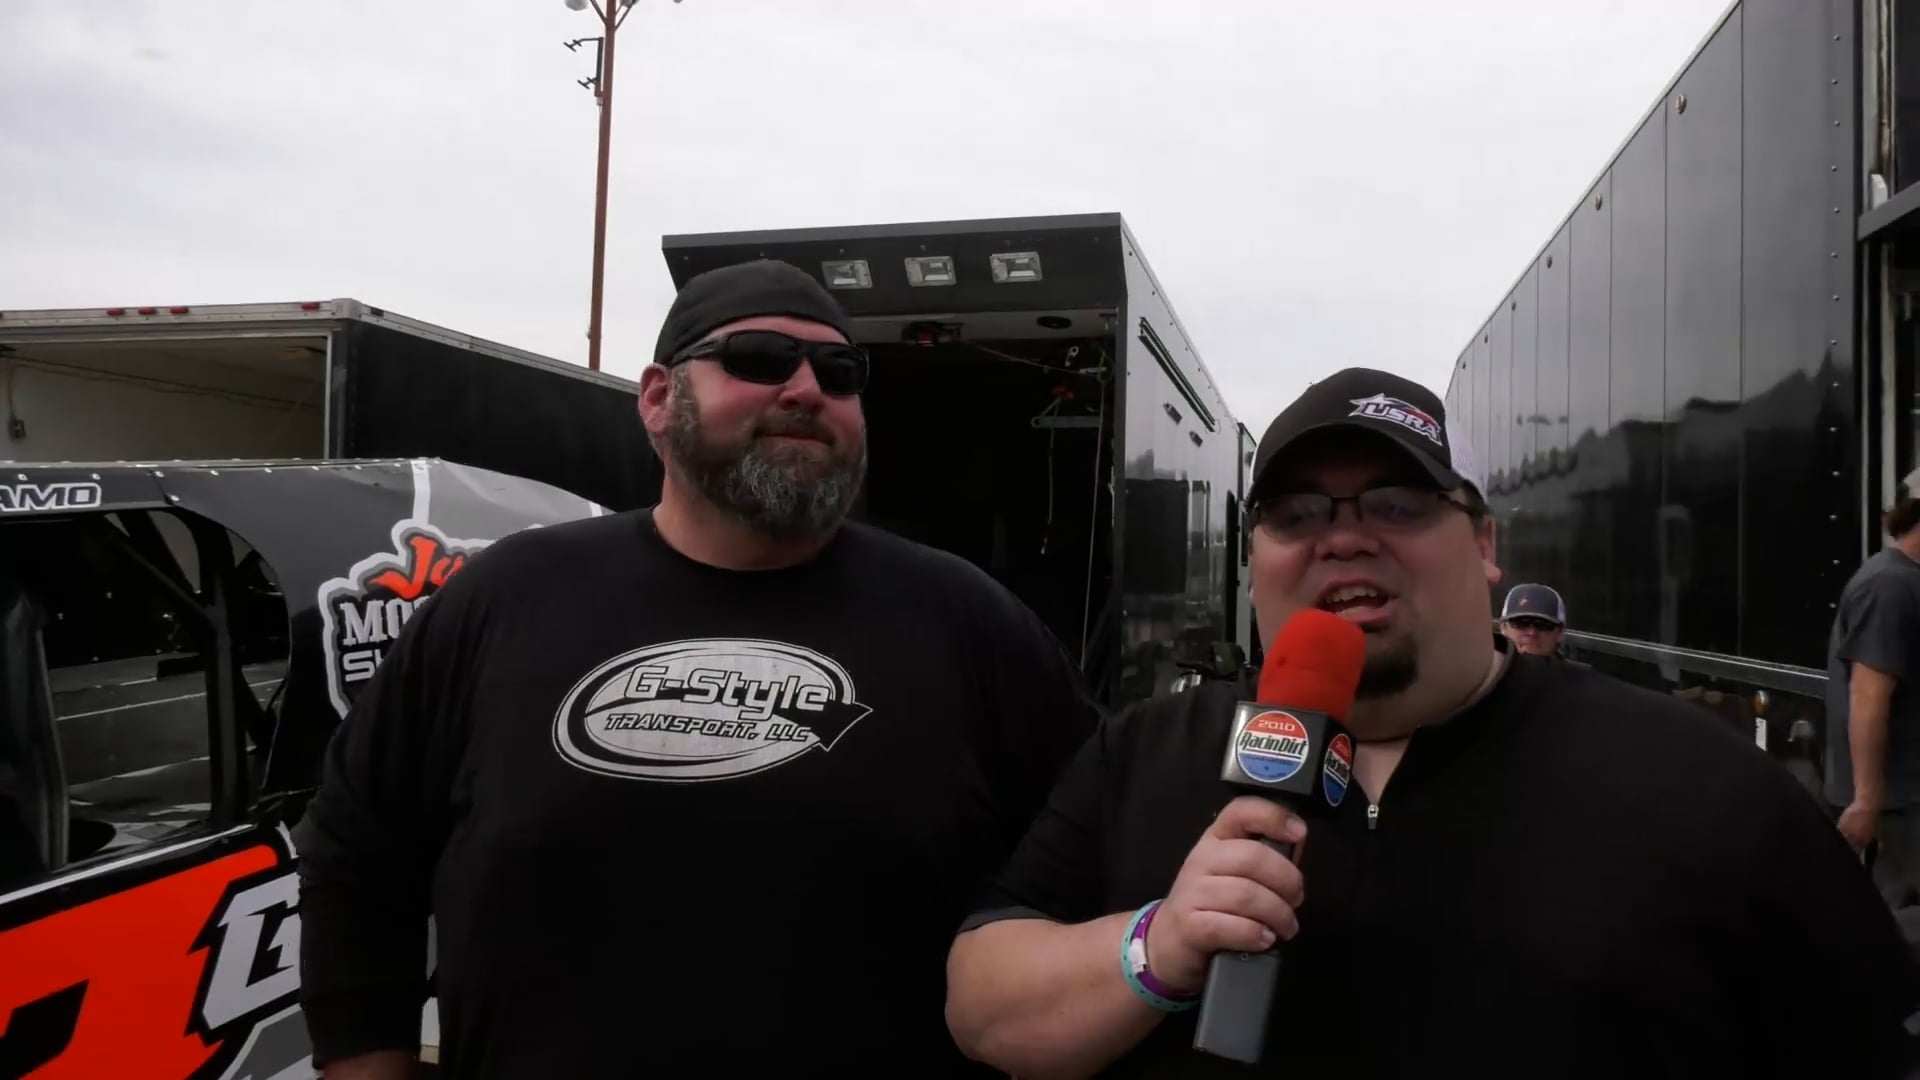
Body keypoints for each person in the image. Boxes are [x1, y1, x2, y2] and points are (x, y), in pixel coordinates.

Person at [944, 367, 1920, 1078]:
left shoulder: (1702, 787)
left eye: (1399, 502)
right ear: (1254, 561)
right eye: (1296, 515)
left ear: (1486, 544)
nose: (1344, 535)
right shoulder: (1147, 749)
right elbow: (979, 1000)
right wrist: (1152, 948)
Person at [293, 259, 1102, 1077]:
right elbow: (360, 857)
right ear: (656, 399)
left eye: (840, 371)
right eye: (757, 358)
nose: (805, 388)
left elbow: (1094, 855)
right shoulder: (505, 599)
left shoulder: (967, 620)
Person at [1826, 469, 1920, 909]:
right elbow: (1867, 700)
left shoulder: (1903, 580)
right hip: (1903, 803)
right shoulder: (1889, 587)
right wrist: (1866, 799)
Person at [1498, 581, 1586, 666]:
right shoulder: (1488, 677)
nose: (1531, 632)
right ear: (1503, 627)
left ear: (1560, 633)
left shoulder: (1584, 680)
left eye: (1543, 624)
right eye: (1521, 623)